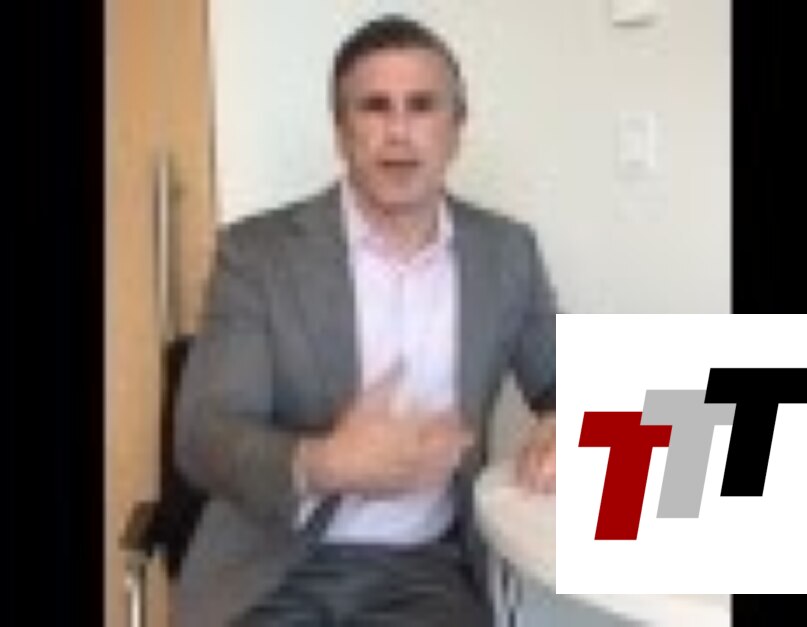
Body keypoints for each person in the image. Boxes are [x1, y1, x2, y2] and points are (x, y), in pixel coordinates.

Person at [174, 14, 556, 627]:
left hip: (425, 572)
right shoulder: (258, 255)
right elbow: (203, 435)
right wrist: (323, 462)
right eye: (374, 107)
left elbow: (566, 378)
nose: (398, 132)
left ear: (456, 129)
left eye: (422, 106)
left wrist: (564, 420)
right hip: (273, 568)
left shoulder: (506, 253)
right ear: (341, 131)